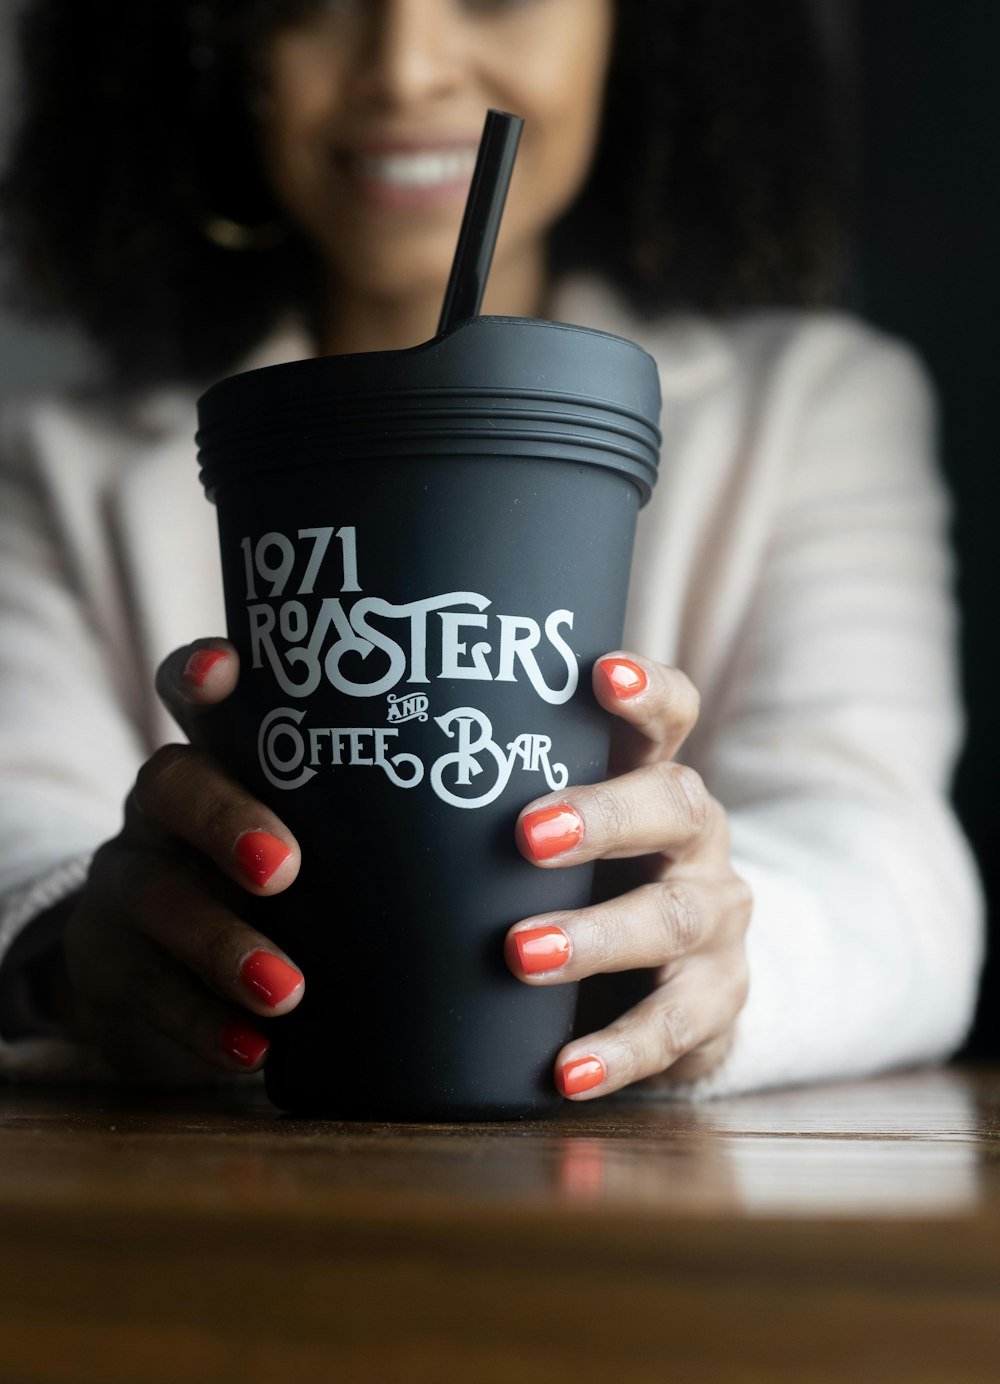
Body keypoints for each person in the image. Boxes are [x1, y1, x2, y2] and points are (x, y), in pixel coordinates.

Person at [0, 0, 983, 1098]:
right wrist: (75, 948)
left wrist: (699, 951)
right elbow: (18, 820)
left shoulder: (813, 408)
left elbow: (898, 872)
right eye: (311, 4)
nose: (404, 66)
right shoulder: (50, 465)